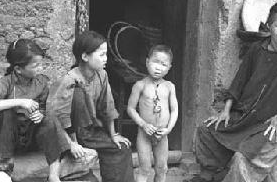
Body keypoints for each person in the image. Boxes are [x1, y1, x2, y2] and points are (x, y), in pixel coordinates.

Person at [193, 1, 277, 182]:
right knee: (207, 129)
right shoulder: (257, 49)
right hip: (246, 116)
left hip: (275, 120)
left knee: (248, 153)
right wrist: (225, 111)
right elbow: (239, 82)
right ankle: (208, 175)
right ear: (269, 26)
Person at [0, 39, 71, 182]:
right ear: (18, 69)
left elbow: (43, 107)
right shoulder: (5, 83)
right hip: (5, 139)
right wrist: (20, 102)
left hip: (29, 138)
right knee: (7, 111)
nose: (40, 69)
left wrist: (40, 115)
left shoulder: (41, 83)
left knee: (49, 118)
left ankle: (53, 174)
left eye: (41, 64)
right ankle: (6, 160)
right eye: (35, 65)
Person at [47, 30, 135, 182]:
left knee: (122, 149)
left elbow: (107, 106)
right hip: (70, 135)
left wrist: (113, 134)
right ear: (85, 56)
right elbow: (56, 117)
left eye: (105, 54)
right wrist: (71, 143)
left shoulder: (102, 75)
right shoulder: (69, 81)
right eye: (101, 55)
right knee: (78, 93)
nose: (105, 59)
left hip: (91, 132)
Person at [127, 45, 179, 182]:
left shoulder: (169, 86)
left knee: (162, 168)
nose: (158, 67)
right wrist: (143, 125)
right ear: (147, 62)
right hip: (144, 134)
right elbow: (130, 109)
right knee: (144, 168)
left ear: (169, 68)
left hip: (162, 135)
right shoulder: (140, 85)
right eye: (155, 62)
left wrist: (168, 129)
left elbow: (174, 110)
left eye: (163, 64)